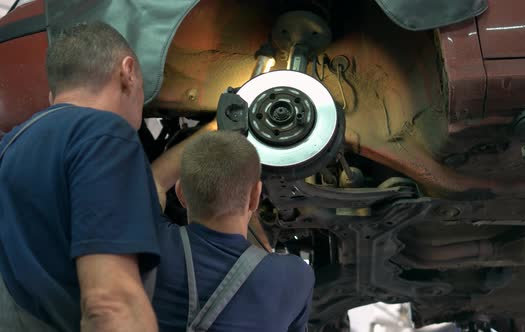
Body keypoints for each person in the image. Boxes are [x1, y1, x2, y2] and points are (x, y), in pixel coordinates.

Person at [0, 22, 160, 332]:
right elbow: (110, 305)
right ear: (128, 71)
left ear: (52, 96)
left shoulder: (10, 145)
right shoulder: (104, 134)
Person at [150, 131, 315, 331]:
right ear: (256, 196)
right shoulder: (295, 277)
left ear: (180, 193)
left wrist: (214, 126)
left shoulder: (153, 244)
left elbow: (154, 182)